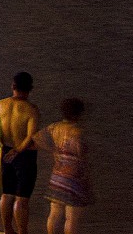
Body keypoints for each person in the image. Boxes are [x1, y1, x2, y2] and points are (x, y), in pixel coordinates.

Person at [0, 72, 41, 234]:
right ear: (30, 89)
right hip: (24, 155)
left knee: (7, 194)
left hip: (6, 151)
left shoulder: (1, 104)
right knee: (22, 198)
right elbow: (30, 136)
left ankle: (7, 230)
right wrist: (18, 151)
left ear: (13, 86)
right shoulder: (31, 110)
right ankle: (22, 232)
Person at [39, 97, 91, 232]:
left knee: (54, 213)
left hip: (57, 176)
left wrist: (54, 150)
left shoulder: (54, 128)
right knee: (71, 217)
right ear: (78, 114)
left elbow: (37, 139)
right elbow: (81, 154)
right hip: (74, 177)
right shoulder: (78, 132)